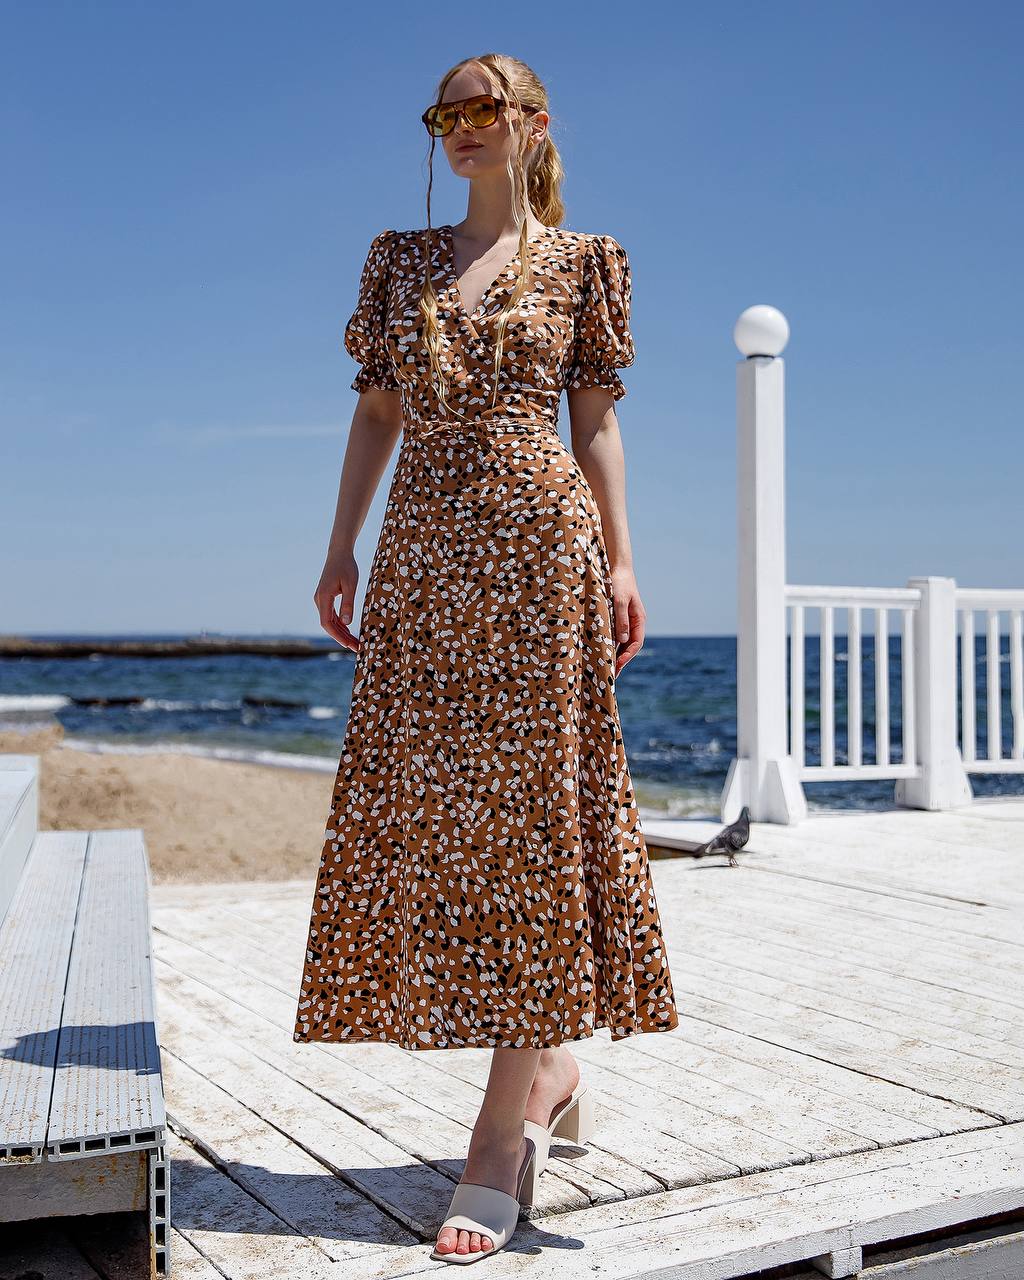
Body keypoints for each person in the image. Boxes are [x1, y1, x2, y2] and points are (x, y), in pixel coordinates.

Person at [292, 51, 679, 1264]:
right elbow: (374, 409)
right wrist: (340, 542)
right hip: (423, 553)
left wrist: (621, 559)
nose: (458, 130)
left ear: (533, 125)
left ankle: (496, 1139)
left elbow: (597, 419)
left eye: (481, 111)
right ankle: (551, 1067)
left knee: (531, 830)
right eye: (442, 114)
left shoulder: (585, 261)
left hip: (539, 551)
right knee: (444, 825)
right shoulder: (398, 261)